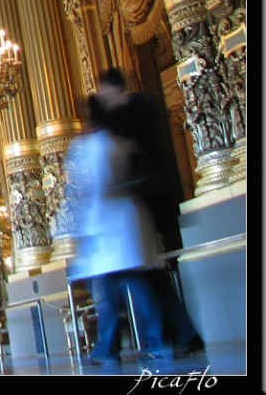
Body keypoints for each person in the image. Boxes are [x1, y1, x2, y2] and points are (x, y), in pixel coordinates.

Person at [89, 68, 203, 356]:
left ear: (110, 89)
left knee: (144, 277)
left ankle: (161, 339)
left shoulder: (129, 116)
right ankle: (179, 335)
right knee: (151, 277)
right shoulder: (134, 111)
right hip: (139, 208)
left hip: (140, 205)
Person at [68, 81, 172, 366]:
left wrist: (82, 230)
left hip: (106, 223)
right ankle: (156, 343)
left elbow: (92, 189)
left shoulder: (87, 147)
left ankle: (109, 348)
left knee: (107, 295)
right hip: (130, 220)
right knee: (138, 285)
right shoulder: (121, 142)